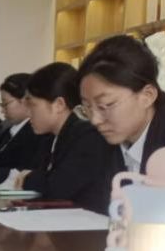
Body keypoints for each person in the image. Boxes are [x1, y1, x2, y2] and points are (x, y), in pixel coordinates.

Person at [79, 33, 165, 179]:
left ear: (147, 96)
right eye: (87, 107)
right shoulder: (93, 142)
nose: (95, 120)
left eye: (105, 105)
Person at [15, 63, 112, 213]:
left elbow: (56, 189)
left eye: (32, 105)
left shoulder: (87, 136)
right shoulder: (49, 138)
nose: (28, 113)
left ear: (59, 105)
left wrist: (30, 178)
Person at [0, 73, 51, 183]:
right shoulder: (8, 131)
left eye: (5, 104)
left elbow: (25, 170)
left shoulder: (38, 133)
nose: (2, 110)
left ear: (26, 101)